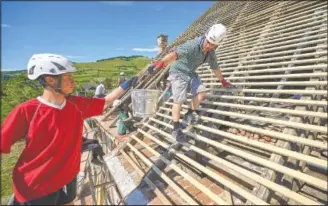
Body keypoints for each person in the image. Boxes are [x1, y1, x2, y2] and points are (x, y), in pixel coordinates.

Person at [1, 53, 138, 205]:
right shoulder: (27, 111)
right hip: (37, 186)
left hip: (67, 178)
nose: (73, 82)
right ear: (50, 80)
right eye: (67, 78)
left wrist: (126, 85)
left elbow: (106, 101)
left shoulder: (75, 104)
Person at [147, 24, 231, 142]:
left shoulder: (211, 53)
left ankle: (189, 114)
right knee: (179, 100)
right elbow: (173, 55)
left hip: (190, 72)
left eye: (212, 45)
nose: (208, 46)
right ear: (205, 37)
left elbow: (215, 68)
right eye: (208, 42)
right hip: (178, 71)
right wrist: (159, 65)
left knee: (201, 93)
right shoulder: (192, 45)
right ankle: (176, 129)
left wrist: (222, 81)